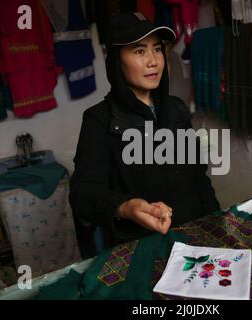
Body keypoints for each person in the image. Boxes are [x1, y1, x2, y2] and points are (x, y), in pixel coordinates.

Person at [69, 12, 220, 246]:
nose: (153, 61)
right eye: (140, 51)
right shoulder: (99, 120)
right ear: (116, 60)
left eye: (157, 49)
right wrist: (125, 207)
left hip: (193, 235)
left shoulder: (177, 109)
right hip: (141, 244)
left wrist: (216, 228)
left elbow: (199, 178)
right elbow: (82, 194)